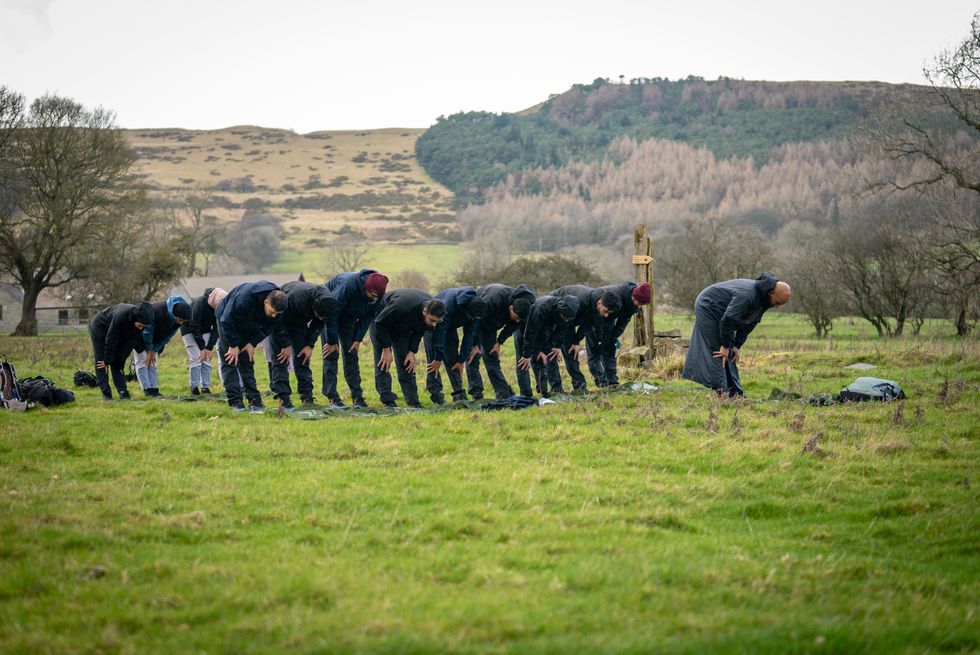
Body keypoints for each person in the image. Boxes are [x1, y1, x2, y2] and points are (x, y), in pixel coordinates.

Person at [682, 272, 791, 397]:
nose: (776, 307)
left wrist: (737, 345)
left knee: (730, 352)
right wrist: (724, 345)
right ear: (771, 293)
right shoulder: (748, 295)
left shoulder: (765, 298)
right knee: (718, 350)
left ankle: (735, 392)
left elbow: (751, 322)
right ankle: (722, 392)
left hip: (724, 313)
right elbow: (728, 319)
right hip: (708, 306)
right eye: (777, 303)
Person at [215, 281, 287, 412]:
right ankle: (236, 401)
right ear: (266, 302)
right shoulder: (244, 297)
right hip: (227, 320)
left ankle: (254, 400)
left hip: (249, 323)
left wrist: (252, 343)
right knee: (231, 360)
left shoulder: (279, 303)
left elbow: (269, 327)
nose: (274, 315)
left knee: (247, 360)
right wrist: (233, 345)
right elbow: (226, 319)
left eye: (277, 313)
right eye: (272, 312)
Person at [321, 269, 389, 408]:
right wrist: (332, 341)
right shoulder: (348, 285)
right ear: (365, 288)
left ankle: (357, 398)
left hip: (349, 318)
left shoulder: (378, 293)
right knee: (331, 354)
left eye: (376, 297)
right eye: (371, 295)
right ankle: (332, 397)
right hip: (329, 315)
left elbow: (368, 316)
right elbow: (331, 312)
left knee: (351, 354)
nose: (373, 299)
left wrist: (357, 338)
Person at [369, 289, 445, 408]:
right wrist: (385, 349)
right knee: (383, 362)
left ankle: (413, 402)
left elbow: (418, 331)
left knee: (407, 362)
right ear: (425, 311)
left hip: (401, 327)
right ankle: (387, 401)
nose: (434, 324)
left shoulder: (431, 307)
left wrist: (411, 351)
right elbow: (380, 323)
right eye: (432, 320)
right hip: (380, 323)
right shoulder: (402, 305)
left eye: (437, 321)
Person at [269, 281, 337, 409]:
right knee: (281, 358)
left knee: (303, 356)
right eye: (320, 315)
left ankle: (307, 397)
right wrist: (285, 344)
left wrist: (309, 345)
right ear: (314, 307)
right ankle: (284, 399)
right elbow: (278, 320)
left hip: (299, 321)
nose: (322, 318)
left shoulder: (328, 303)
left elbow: (319, 322)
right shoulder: (297, 298)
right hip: (279, 319)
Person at [466, 284, 535, 400]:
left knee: (492, 356)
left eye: (520, 319)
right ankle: (476, 394)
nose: (518, 320)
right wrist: (473, 345)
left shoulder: (522, 307)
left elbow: (514, 324)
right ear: (511, 308)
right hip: (475, 322)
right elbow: (475, 322)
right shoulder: (493, 300)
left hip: (491, 326)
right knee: (473, 356)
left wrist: (499, 341)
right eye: (516, 317)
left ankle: (502, 393)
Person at [547, 285, 622, 391]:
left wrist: (576, 341)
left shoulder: (597, 308)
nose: (606, 316)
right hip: (556, 317)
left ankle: (579, 386)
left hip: (570, 321)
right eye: (606, 311)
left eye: (609, 313)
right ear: (599, 303)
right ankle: (559, 389)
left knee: (573, 351)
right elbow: (564, 323)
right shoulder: (580, 302)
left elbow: (586, 325)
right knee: (556, 352)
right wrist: (557, 344)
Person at [423, 286, 488, 404]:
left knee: (454, 361)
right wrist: (438, 358)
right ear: (465, 310)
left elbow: (470, 335)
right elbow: (440, 332)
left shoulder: (476, 310)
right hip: (434, 326)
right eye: (470, 317)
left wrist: (461, 359)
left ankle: (459, 395)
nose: (471, 319)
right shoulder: (448, 305)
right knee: (433, 362)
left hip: (450, 328)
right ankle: (437, 395)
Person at [588, 282, 652, 387]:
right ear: (634, 296)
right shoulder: (616, 294)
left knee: (609, 349)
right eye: (640, 303)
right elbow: (598, 309)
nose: (640, 306)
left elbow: (623, 322)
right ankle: (602, 382)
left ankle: (612, 382)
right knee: (596, 350)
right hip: (595, 317)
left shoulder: (633, 304)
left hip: (609, 320)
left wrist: (614, 337)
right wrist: (599, 337)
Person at [515, 294, 580, 398]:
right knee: (524, 362)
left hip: (543, 331)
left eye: (568, 318)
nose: (566, 320)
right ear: (559, 311)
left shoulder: (568, 313)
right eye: (564, 317)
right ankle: (526, 394)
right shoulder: (541, 308)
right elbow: (530, 333)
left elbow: (559, 332)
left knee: (543, 357)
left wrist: (548, 349)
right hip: (525, 329)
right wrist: (529, 353)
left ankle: (547, 392)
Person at [89, 301, 154, 401]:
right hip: (100, 326)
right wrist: (107, 360)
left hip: (116, 331)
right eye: (140, 325)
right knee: (101, 362)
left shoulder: (139, 323)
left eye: (143, 327)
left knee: (118, 363)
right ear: (135, 318)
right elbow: (111, 339)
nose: (141, 328)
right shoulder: (121, 316)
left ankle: (123, 393)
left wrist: (121, 359)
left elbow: (129, 344)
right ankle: (107, 395)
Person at [133, 296, 193, 397]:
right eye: (180, 320)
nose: (181, 323)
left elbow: (168, 336)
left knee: (153, 362)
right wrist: (149, 350)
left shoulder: (179, 319)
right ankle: (146, 390)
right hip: (140, 335)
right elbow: (147, 332)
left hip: (155, 339)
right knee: (143, 361)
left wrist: (154, 350)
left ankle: (154, 389)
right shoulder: (157, 311)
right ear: (175, 314)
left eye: (183, 321)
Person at [180, 287, 222, 396]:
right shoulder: (200, 304)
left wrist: (208, 348)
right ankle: (194, 388)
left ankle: (205, 387)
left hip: (206, 330)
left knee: (207, 358)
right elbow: (194, 325)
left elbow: (217, 328)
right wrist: (202, 348)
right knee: (196, 358)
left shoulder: (220, 307)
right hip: (189, 329)